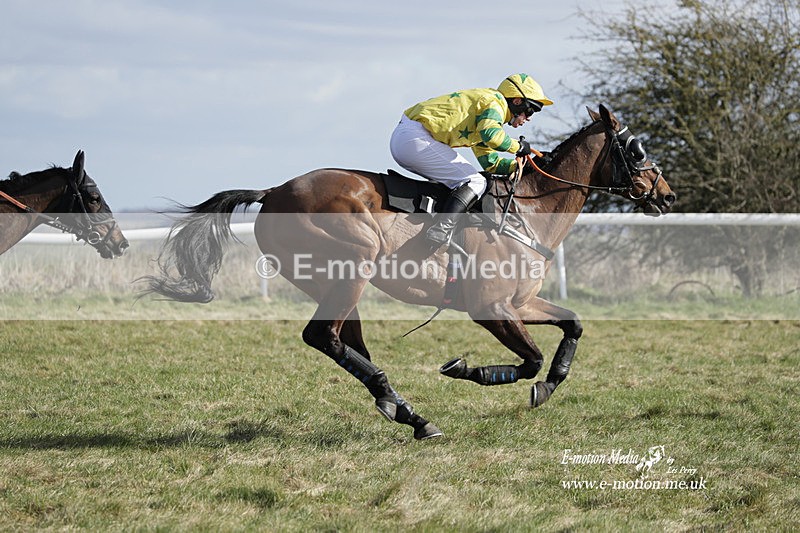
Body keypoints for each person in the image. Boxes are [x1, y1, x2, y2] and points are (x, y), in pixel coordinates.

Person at [390, 73, 553, 248]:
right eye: (531, 110)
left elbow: (490, 163)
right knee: (475, 181)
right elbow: (492, 136)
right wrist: (519, 147)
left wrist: (522, 167)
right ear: (517, 101)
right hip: (415, 138)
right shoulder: (495, 102)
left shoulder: (486, 115)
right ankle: (440, 231)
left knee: (472, 179)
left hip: (409, 138)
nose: (529, 118)